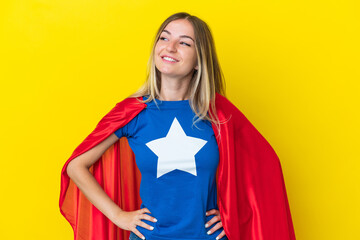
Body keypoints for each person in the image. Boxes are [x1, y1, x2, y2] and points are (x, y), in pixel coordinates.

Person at [59, 12, 296, 240]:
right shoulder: (133, 112)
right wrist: (118, 216)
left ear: (198, 60)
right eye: (164, 37)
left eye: (184, 43)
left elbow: (266, 171)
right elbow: (76, 165)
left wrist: (235, 216)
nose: (170, 47)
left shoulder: (218, 114)